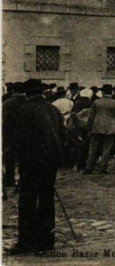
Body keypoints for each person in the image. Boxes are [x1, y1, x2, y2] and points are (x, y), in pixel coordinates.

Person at [11, 80, 65, 255]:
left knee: (27, 201)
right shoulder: (53, 109)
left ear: (27, 93)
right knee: (46, 199)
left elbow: (21, 140)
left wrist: (20, 160)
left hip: (32, 163)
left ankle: (26, 242)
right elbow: (62, 136)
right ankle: (46, 241)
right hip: (51, 163)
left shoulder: (25, 110)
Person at [83, 85, 115, 175]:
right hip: (110, 128)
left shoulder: (96, 102)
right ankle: (103, 168)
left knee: (93, 148)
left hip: (96, 127)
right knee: (106, 149)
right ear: (111, 92)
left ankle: (89, 167)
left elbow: (91, 116)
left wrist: (89, 127)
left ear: (102, 92)